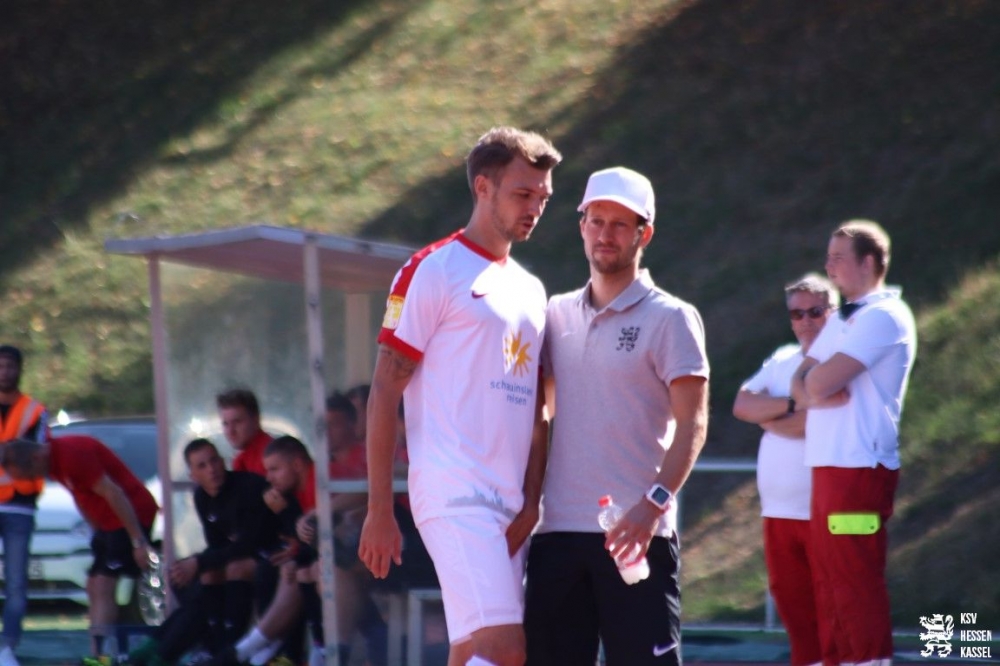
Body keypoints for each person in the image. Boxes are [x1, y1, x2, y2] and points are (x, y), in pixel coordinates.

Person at [359, 126, 562, 666]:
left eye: (543, 198)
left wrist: (532, 499)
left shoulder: (532, 289)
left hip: (510, 505)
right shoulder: (433, 268)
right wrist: (380, 509)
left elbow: (538, 406)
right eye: (523, 193)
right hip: (454, 495)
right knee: (505, 650)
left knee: (471, 648)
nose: (535, 208)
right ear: (483, 187)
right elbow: (384, 391)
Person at [523, 166, 710, 666]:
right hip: (556, 533)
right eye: (597, 221)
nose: (606, 234)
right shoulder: (555, 312)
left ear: (644, 234)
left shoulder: (671, 317)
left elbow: (693, 424)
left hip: (636, 537)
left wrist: (652, 506)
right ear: (581, 226)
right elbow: (539, 411)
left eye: (621, 224)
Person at [791, 220, 917, 666]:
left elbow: (817, 383)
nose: (829, 266)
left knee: (853, 580)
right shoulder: (844, 318)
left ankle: (869, 660)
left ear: (868, 262)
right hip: (830, 466)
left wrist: (814, 388)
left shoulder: (884, 316)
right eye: (828, 257)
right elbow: (800, 382)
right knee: (827, 581)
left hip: (858, 469)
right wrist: (814, 388)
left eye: (838, 258)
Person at [732, 274, 839, 666]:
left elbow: (813, 425)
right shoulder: (781, 359)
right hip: (777, 513)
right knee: (794, 612)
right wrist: (792, 405)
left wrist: (770, 416)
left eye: (815, 311)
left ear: (833, 312)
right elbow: (742, 405)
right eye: (797, 314)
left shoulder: (842, 361)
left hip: (823, 512)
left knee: (833, 613)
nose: (806, 321)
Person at [0, 436, 159, 659]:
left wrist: (138, 541)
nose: (35, 479)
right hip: (107, 522)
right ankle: (98, 653)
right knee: (93, 585)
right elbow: (79, 495)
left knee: (103, 585)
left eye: (31, 474)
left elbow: (113, 492)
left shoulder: (72, 456)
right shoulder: (54, 463)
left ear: (36, 458)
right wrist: (97, 532)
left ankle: (101, 657)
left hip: (130, 515)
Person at [127, 438, 281, 666]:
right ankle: (189, 648)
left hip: (272, 551)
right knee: (189, 576)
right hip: (239, 554)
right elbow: (217, 544)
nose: (212, 469)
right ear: (193, 475)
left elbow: (247, 544)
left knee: (231, 569)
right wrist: (194, 564)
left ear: (223, 461)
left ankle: (171, 650)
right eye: (202, 466)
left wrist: (198, 562)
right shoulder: (202, 497)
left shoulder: (247, 488)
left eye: (214, 461)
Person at [0, 345, 47, 666]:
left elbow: (37, 456)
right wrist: (14, 451)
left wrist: (10, 453)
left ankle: (7, 647)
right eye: (1, 366)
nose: (5, 372)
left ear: (20, 369)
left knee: (16, 584)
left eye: (10, 366)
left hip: (20, 506)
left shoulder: (34, 411)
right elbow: (21, 453)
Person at [216, 389, 272, 477]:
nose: (230, 431)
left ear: (255, 420)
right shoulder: (241, 461)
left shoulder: (271, 457)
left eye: (237, 422)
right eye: (225, 424)